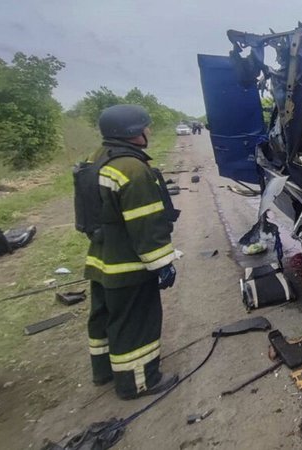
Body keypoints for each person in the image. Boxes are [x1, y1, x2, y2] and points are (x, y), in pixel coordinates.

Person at [81, 104, 179, 400]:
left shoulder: (96, 158)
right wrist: (163, 263)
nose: (149, 131)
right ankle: (139, 382)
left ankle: (104, 371)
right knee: (135, 320)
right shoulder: (133, 169)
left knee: (104, 316)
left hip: (101, 258)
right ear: (133, 134)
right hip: (128, 264)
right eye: (145, 127)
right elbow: (146, 223)